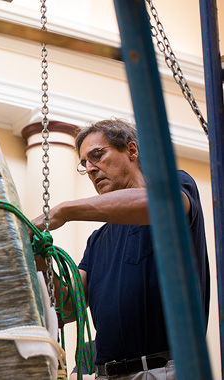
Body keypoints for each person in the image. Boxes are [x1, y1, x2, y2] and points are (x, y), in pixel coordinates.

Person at [31, 119, 210, 380]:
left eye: (97, 155)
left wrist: (65, 211)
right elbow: (70, 308)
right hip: (108, 374)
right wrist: (37, 258)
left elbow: (161, 206)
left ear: (132, 151)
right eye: (84, 164)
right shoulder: (98, 240)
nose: (90, 169)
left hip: (166, 370)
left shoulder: (174, 187)